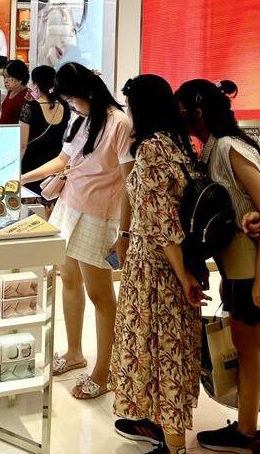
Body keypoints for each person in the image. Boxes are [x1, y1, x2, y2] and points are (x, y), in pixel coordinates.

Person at [21, 62, 133, 399]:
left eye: (72, 100)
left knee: (101, 296)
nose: (70, 106)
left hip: (99, 217)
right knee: (68, 280)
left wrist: (124, 233)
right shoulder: (80, 117)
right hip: (68, 207)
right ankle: (74, 352)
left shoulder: (120, 123)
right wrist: (21, 177)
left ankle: (104, 371)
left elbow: (129, 184)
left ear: (87, 93)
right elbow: (63, 160)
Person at [110, 75, 208, 454]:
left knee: (160, 354)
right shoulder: (180, 145)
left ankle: (173, 445)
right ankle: (165, 433)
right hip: (172, 265)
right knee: (171, 352)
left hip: (155, 270)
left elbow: (163, 223)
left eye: (131, 105)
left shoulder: (151, 149)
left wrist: (183, 277)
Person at [175, 79, 260, 454]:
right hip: (237, 268)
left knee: (249, 349)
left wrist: (258, 283)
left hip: (250, 268)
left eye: (182, 111)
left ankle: (246, 432)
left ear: (197, 113)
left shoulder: (227, 147)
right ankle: (246, 427)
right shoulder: (214, 148)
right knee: (247, 347)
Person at [20, 65, 70, 197]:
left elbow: (22, 144)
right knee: (50, 198)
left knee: (30, 202)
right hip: (55, 163)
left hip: (31, 164)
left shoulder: (29, 107)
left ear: (36, 84)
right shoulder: (65, 106)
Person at [0, 59, 31, 124]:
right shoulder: (11, 91)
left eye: (8, 77)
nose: (5, 81)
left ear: (19, 78)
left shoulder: (28, 96)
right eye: (4, 77)